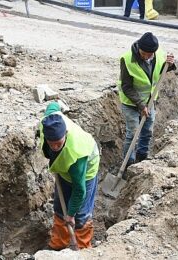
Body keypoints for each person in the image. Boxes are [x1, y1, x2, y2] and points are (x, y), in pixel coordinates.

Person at [37, 102, 100, 250]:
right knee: (60, 207)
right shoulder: (47, 123)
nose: (54, 147)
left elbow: (79, 190)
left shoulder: (76, 154)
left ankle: (83, 248)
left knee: (81, 215)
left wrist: (71, 214)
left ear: (65, 135)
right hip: (64, 168)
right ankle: (58, 244)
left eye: (58, 144)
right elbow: (53, 106)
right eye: (51, 144)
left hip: (87, 167)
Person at [118, 32, 175, 172]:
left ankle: (142, 157)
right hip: (131, 103)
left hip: (150, 101)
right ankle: (128, 165)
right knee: (132, 133)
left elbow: (161, 72)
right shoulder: (127, 59)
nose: (146, 57)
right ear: (139, 48)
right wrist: (141, 105)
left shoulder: (159, 54)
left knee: (147, 131)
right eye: (143, 54)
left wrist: (171, 64)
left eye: (149, 55)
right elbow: (126, 86)